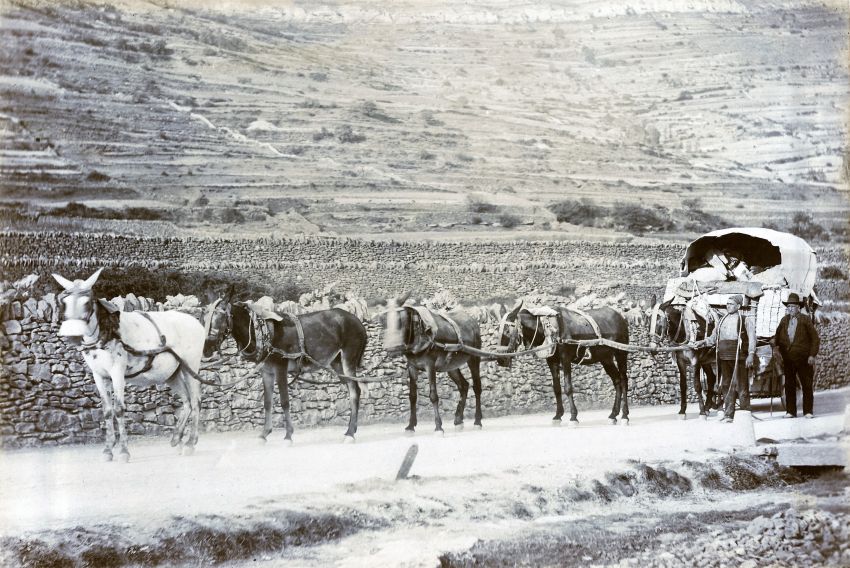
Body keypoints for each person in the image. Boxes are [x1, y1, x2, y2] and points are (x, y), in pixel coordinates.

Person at [699, 294, 757, 422]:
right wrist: (703, 342)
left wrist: (751, 354)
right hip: (724, 358)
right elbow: (714, 338)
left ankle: (745, 414)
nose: (728, 306)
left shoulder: (745, 320)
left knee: (742, 386)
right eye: (727, 304)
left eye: (731, 304)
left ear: (738, 306)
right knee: (726, 385)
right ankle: (729, 414)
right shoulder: (721, 320)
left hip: (739, 357)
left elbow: (752, 338)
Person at [773, 293, 820, 418]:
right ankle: (790, 411)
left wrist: (812, 355)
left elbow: (815, 339)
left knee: (806, 384)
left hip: (804, 359)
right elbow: (777, 337)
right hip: (788, 359)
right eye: (788, 307)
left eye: (793, 307)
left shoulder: (805, 319)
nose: (790, 309)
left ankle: (808, 411)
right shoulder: (784, 320)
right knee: (789, 385)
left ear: (798, 308)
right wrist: (774, 345)